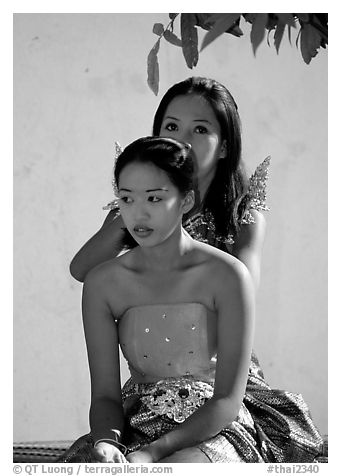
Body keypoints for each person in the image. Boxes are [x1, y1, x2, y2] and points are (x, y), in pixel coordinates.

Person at [59, 137, 323, 464]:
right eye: (126, 199)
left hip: (214, 428)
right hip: (136, 424)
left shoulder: (228, 275)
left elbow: (227, 401)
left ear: (186, 201)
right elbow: (104, 396)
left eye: (154, 198)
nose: (138, 213)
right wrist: (106, 442)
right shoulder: (102, 283)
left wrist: (153, 454)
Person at [69, 77, 267, 289]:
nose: (183, 141)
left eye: (200, 129)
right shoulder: (130, 211)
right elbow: (81, 270)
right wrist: (139, 201)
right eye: (172, 126)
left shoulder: (241, 220)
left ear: (224, 147)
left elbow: (243, 291)